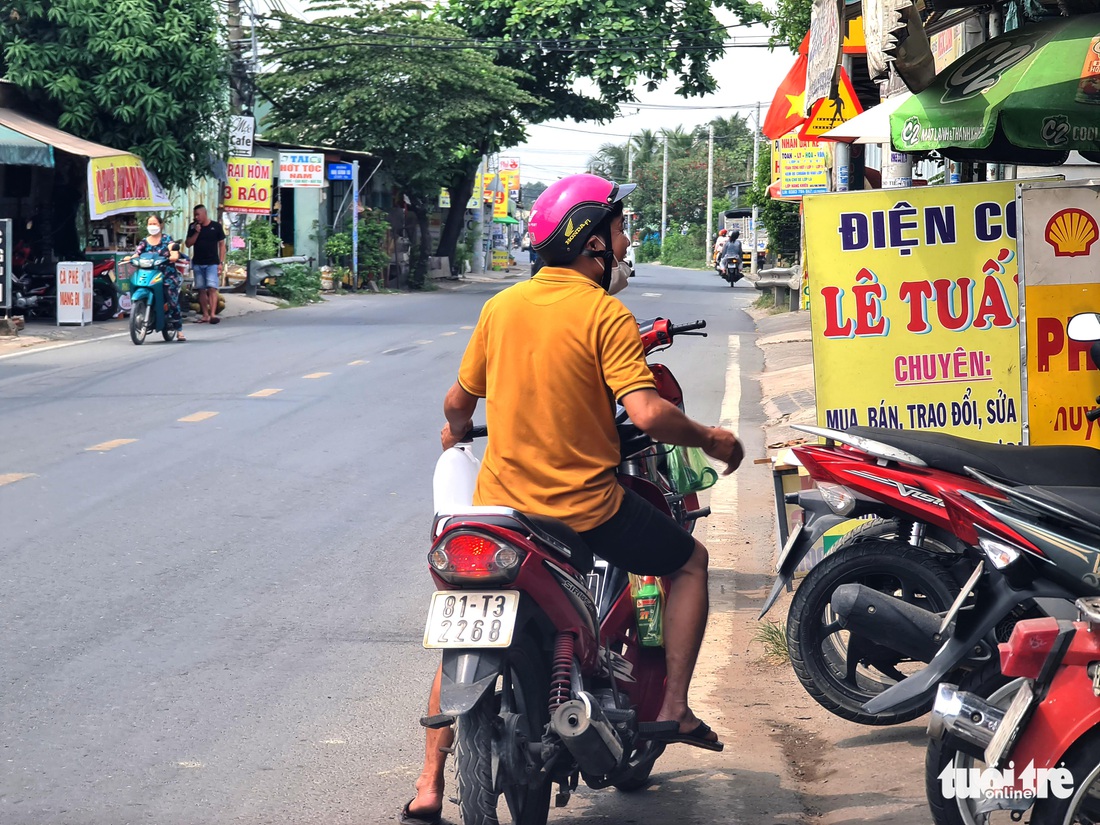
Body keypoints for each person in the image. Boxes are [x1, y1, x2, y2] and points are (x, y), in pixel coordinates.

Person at [400, 174, 744, 825]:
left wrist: (455, 433)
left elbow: (456, 403)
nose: (625, 239)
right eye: (618, 228)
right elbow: (645, 409)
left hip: (503, 515)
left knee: (470, 610)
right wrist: (712, 438)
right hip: (586, 510)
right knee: (689, 561)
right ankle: (672, 701)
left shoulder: (501, 308)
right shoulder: (603, 312)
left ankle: (427, 778)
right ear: (591, 244)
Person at [131, 215, 185, 341]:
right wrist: (130, 258)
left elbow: (173, 249)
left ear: (161, 225)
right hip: (149, 273)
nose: (152, 226)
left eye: (154, 223)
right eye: (150, 223)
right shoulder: (144, 241)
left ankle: (178, 329)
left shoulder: (167, 239)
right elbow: (137, 253)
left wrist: (174, 254)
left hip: (166, 274)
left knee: (171, 296)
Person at [186, 204, 226, 324]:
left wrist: (221, 262)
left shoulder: (216, 226)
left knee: (212, 288)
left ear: (204, 214)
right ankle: (205, 315)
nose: (196, 217)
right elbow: (188, 244)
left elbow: (222, 245)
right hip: (198, 262)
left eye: (198, 215)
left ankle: (213, 314)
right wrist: (196, 232)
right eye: (195, 215)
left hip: (212, 263)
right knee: (201, 289)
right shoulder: (193, 227)